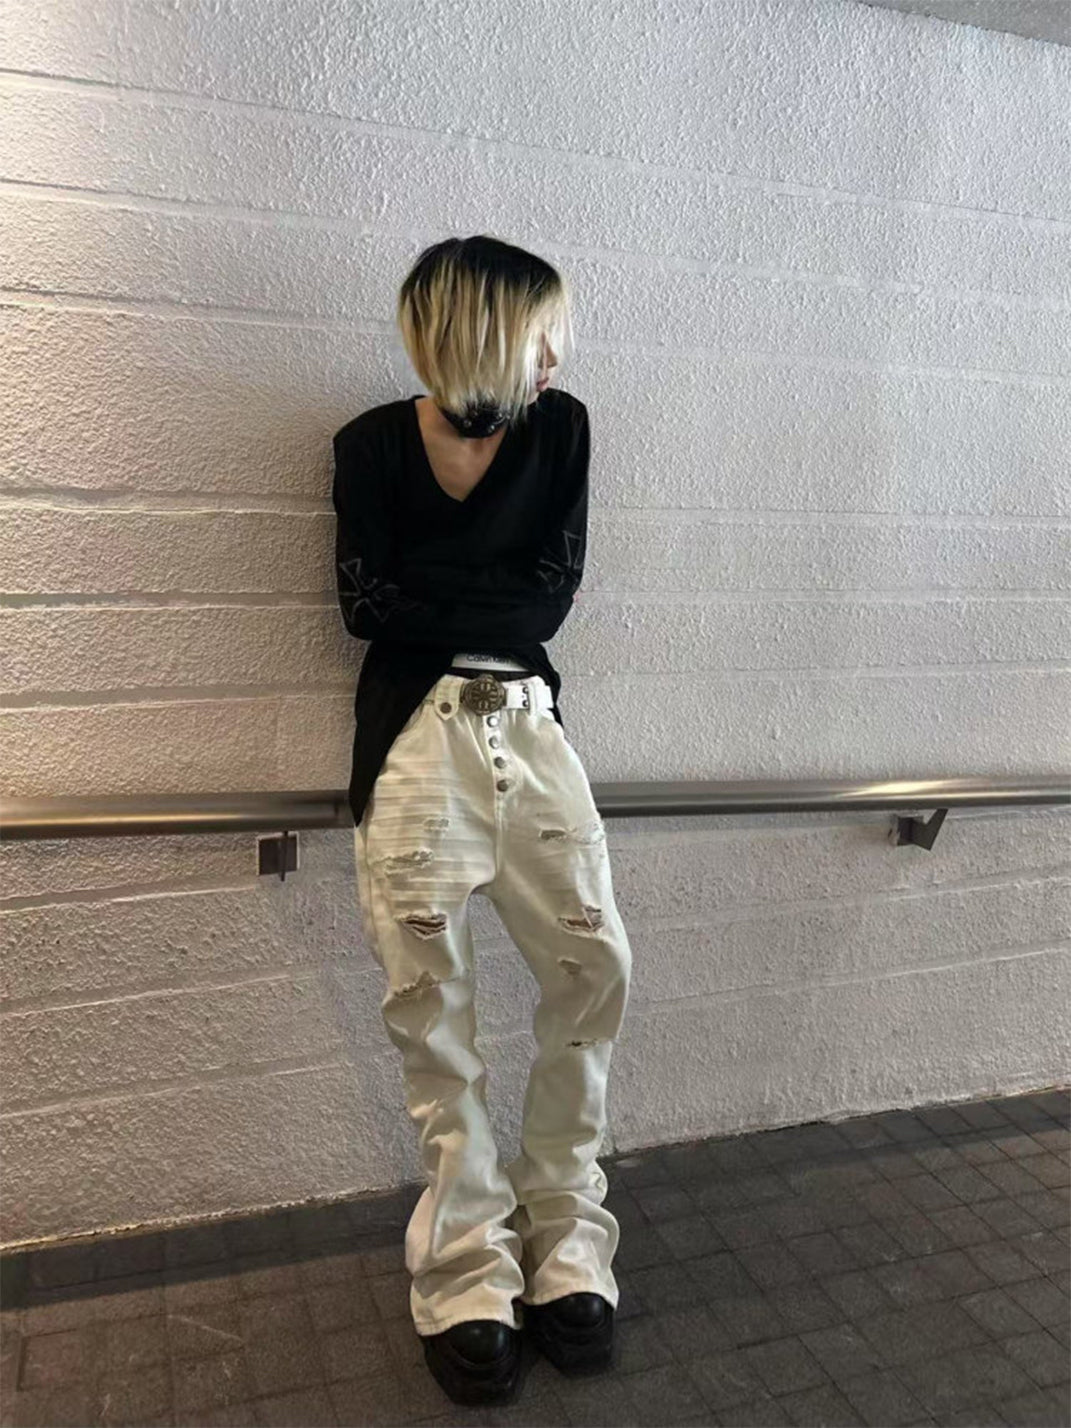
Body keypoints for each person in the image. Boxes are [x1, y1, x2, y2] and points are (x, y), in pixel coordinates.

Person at [331, 235, 632, 1407]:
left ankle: (565, 1236)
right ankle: (464, 1266)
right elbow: (365, 609)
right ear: (485, 332)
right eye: (541, 336)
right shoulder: (368, 446)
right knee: (431, 1009)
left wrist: (442, 597)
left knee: (593, 969)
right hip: (415, 743)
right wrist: (480, 603)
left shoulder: (562, 433)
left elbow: (547, 601)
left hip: (528, 736)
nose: (555, 360)